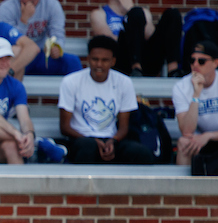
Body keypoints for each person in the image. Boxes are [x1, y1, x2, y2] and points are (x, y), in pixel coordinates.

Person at [0, 38, 65, 164]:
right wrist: (16, 134)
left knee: (11, 145)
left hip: (0, 143)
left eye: (7, 58)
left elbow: (24, 119)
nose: (4, 63)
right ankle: (36, 145)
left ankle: (22, 180)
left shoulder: (16, 85)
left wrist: (29, 135)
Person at [57, 35, 155, 165]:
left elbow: (124, 128)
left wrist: (113, 141)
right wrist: (93, 141)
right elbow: (64, 127)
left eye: (104, 60)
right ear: (88, 59)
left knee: (142, 154)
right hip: (81, 139)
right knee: (87, 148)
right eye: (95, 59)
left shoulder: (124, 82)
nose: (99, 64)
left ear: (113, 61)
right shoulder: (71, 81)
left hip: (112, 139)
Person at [88, 0, 179, 78]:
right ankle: (136, 67)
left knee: (172, 14)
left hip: (146, 61)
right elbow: (110, 44)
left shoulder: (141, 13)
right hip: (122, 62)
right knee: (135, 14)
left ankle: (173, 70)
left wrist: (129, 10)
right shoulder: (99, 14)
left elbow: (149, 38)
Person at [172, 40, 218, 169]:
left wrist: (209, 136)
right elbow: (186, 131)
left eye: (201, 61)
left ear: (215, 63)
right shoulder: (181, 87)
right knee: (183, 143)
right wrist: (196, 94)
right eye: (192, 60)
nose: (195, 65)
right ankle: (183, 189)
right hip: (196, 140)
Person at [0, 0, 83, 76]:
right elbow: (9, 42)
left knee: (73, 61)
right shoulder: (7, 8)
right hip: (19, 56)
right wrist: (24, 20)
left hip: (41, 56)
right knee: (14, 55)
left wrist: (57, 47)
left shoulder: (51, 4)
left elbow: (57, 33)